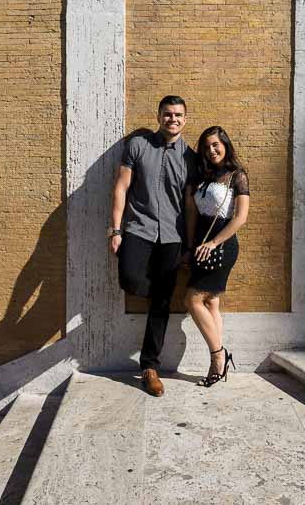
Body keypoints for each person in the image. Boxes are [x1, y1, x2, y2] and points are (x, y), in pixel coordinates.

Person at [110, 96, 197, 397]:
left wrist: (189, 243)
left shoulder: (191, 157)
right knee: (129, 277)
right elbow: (121, 187)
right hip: (138, 229)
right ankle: (158, 292)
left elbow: (189, 205)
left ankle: (150, 366)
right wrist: (116, 230)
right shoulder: (138, 145)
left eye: (178, 115)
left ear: (185, 119)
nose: (173, 119)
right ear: (159, 116)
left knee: (161, 304)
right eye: (168, 114)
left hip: (172, 237)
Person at [184, 126, 250, 387]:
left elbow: (240, 218)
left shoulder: (237, 176)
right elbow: (191, 215)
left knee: (192, 299)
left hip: (222, 245)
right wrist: (190, 247)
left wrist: (213, 243)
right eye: (206, 146)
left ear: (225, 145)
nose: (211, 150)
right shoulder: (199, 178)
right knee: (211, 302)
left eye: (216, 145)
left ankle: (218, 356)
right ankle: (218, 364)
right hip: (200, 245)